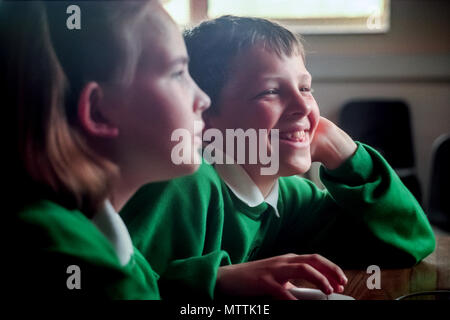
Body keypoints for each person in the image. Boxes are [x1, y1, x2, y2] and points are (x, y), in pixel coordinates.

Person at [121, 15, 435, 300]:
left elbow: (409, 241)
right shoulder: (182, 184)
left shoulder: (287, 196)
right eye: (270, 92)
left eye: (305, 88)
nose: (303, 106)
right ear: (204, 112)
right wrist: (217, 281)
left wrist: (343, 151)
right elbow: (112, 284)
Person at [1, 0, 210, 299]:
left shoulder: (100, 240)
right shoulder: (68, 254)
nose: (203, 99)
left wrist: (214, 279)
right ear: (98, 112)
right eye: (178, 73)